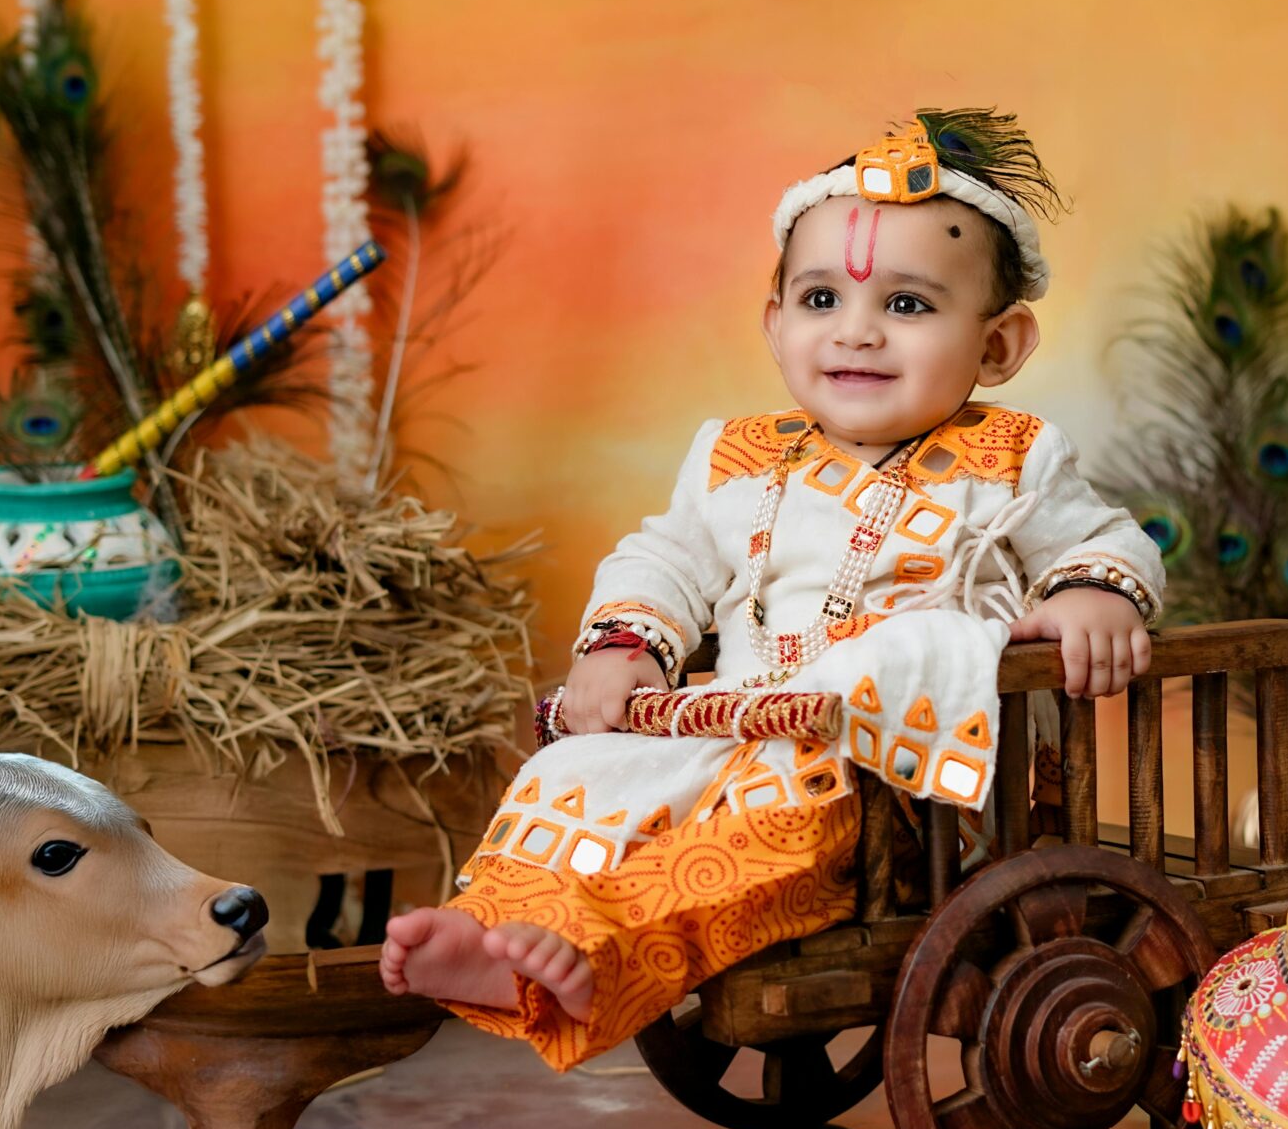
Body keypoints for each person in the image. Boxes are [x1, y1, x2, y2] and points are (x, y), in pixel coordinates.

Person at [380, 110, 1165, 1069]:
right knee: (573, 775)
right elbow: (663, 558)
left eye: (909, 306)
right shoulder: (737, 460)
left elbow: (1106, 538)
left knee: (783, 813)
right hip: (728, 736)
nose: (859, 332)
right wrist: (627, 644)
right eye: (821, 297)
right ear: (775, 321)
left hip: (893, 787)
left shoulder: (1008, 461)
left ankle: (587, 950)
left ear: (997, 347)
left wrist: (1097, 592)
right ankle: (496, 927)